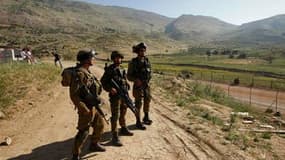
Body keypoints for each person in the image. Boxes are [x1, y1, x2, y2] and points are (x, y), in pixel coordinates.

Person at [69, 50, 106, 160]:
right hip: (86, 107)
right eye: (91, 57)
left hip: (93, 105)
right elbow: (74, 95)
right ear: (86, 60)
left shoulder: (87, 71)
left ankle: (94, 144)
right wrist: (83, 108)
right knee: (84, 131)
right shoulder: (79, 73)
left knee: (100, 125)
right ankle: (75, 155)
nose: (93, 59)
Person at [100, 51, 134, 147]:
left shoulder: (122, 69)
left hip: (123, 94)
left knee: (123, 112)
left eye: (120, 58)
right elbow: (103, 82)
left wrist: (126, 85)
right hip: (115, 97)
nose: (118, 60)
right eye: (116, 58)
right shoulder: (110, 70)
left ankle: (123, 128)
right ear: (113, 59)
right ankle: (114, 136)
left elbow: (124, 79)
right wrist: (110, 89)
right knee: (115, 115)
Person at [127, 42, 152, 130]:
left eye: (144, 50)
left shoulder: (147, 60)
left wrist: (148, 81)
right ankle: (138, 121)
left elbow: (150, 72)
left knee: (147, 100)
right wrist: (136, 80)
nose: (143, 52)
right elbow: (129, 76)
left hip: (146, 85)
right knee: (138, 104)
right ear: (138, 52)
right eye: (141, 50)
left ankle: (146, 117)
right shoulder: (133, 62)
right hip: (138, 86)